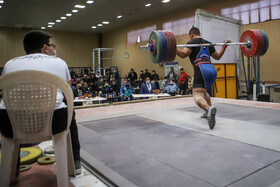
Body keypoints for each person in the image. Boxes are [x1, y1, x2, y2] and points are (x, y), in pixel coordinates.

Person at [0, 31, 81, 174]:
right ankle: (75, 162)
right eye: (52, 46)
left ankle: (12, 170)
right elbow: (66, 91)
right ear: (45, 48)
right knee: (70, 110)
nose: (53, 49)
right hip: (52, 123)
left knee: (14, 109)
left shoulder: (9, 64)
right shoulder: (59, 62)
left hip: (10, 125)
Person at [176, 27, 231, 129]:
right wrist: (224, 46)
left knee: (197, 95)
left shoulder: (192, 42)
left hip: (201, 69)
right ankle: (207, 112)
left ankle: (208, 109)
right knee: (204, 93)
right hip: (212, 70)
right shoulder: (208, 43)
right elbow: (218, 56)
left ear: (192, 35)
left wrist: (171, 47)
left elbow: (183, 54)